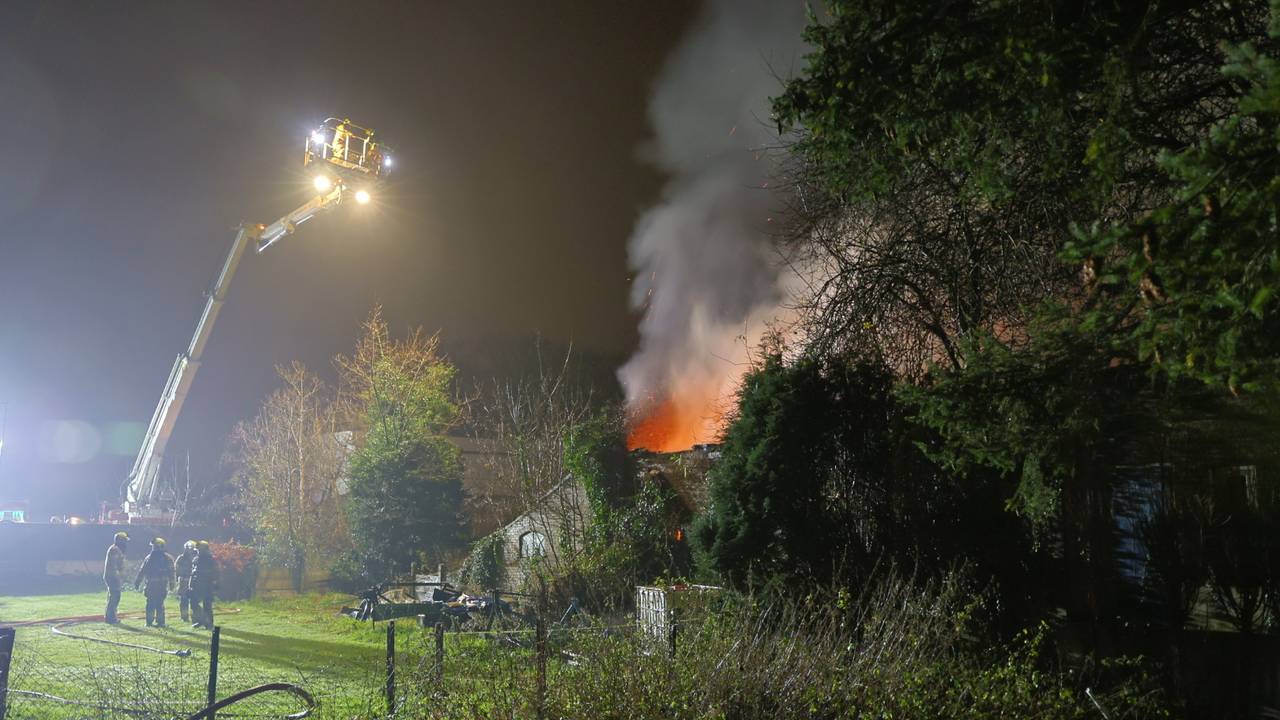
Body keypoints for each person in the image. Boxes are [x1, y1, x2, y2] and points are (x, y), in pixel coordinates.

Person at [134, 537, 174, 627]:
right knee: (159, 604)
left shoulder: (149, 558)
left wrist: (137, 582)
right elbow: (172, 573)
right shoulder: (168, 558)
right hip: (161, 586)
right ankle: (160, 622)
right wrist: (172, 585)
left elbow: (142, 571)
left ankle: (149, 622)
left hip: (150, 586)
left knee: (150, 604)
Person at [190, 540, 219, 630]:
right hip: (196, 585)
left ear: (205, 549)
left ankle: (209, 624)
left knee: (207, 605)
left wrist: (214, 583)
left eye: (199, 550)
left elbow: (216, 572)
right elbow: (192, 573)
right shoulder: (196, 559)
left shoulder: (211, 560)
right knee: (194, 603)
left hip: (207, 585)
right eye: (197, 550)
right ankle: (200, 620)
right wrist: (190, 585)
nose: (198, 551)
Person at [103, 531, 128, 624]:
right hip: (113, 577)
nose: (126, 543)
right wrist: (118, 577)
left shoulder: (116, 549)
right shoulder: (115, 550)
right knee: (115, 597)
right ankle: (111, 618)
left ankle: (110, 617)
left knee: (113, 596)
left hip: (113, 576)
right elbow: (113, 566)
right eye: (125, 540)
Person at [174, 540, 197, 622]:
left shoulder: (198, 558)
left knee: (194, 601)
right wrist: (176, 580)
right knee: (184, 600)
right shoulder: (181, 558)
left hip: (194, 582)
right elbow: (176, 570)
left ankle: (195, 618)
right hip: (184, 582)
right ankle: (184, 617)